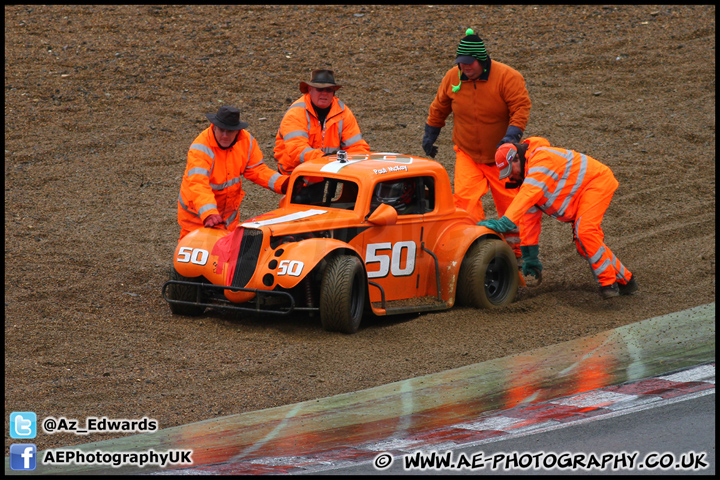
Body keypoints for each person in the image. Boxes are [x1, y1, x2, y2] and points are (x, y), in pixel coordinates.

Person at [478, 137, 639, 299]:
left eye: (509, 171)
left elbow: (528, 193)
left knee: (586, 232)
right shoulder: (528, 178)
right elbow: (529, 220)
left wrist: (506, 221)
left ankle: (608, 283)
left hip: (597, 183)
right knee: (585, 245)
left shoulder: (541, 160)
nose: (510, 177)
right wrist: (530, 256)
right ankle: (626, 280)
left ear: (516, 159)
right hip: (581, 194)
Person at [423, 28, 531, 258]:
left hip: (501, 156)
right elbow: (440, 106)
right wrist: (430, 133)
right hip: (467, 153)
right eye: (461, 63)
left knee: (510, 206)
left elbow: (520, 107)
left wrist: (512, 137)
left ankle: (518, 254)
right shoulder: (453, 77)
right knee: (464, 202)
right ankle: (474, 249)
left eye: (469, 63)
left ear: (482, 60)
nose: (465, 68)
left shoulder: (507, 76)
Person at [177, 105, 289, 240]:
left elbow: (256, 169)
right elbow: (198, 183)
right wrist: (209, 214)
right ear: (214, 126)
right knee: (193, 257)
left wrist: (284, 183)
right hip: (197, 217)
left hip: (227, 218)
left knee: (225, 257)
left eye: (229, 131)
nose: (225, 135)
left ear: (237, 131)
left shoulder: (246, 141)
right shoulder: (201, 148)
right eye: (221, 130)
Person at [274, 69, 370, 175]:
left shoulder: (342, 111)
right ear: (310, 90)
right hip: (296, 171)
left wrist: (358, 163)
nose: (324, 93)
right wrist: (325, 159)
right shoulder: (296, 113)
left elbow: (357, 146)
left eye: (329, 90)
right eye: (320, 89)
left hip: (327, 168)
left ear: (334, 92)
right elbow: (297, 149)